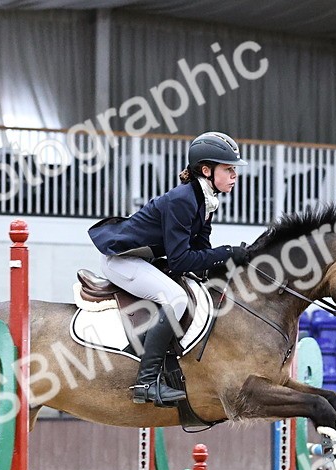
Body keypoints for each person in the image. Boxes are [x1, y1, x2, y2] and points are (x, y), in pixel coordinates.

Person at [88, 131, 251, 407]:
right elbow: (181, 261)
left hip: (145, 259)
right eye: (229, 169)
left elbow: (201, 252)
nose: (235, 175)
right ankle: (146, 382)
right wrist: (226, 253)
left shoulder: (205, 201)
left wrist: (230, 262)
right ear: (207, 170)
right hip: (122, 261)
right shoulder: (183, 200)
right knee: (175, 299)